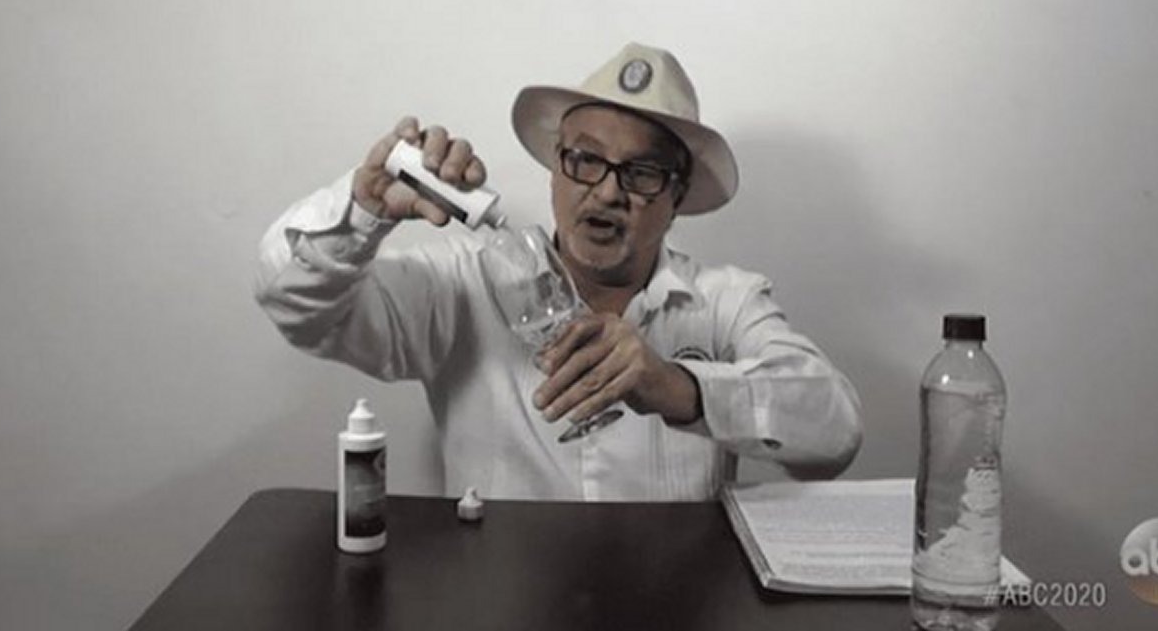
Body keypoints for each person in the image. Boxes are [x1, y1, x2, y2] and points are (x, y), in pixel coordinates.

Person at [254, 43, 862, 501]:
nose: (607, 193)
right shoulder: (463, 284)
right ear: (555, 169)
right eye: (585, 160)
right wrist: (363, 210)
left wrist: (679, 386)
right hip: (499, 596)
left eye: (642, 173)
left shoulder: (725, 300)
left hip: (677, 601)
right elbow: (292, 304)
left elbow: (834, 432)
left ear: (676, 196)